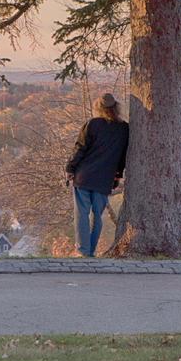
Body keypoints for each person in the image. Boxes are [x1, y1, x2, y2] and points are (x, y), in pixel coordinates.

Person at [65, 93, 129, 257]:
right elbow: (122, 157)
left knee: (82, 215)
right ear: (116, 107)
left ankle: (83, 251)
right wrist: (117, 176)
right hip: (104, 179)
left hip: (84, 176)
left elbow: (80, 147)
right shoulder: (124, 129)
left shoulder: (93, 124)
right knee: (98, 218)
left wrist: (70, 168)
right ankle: (91, 250)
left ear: (99, 108)